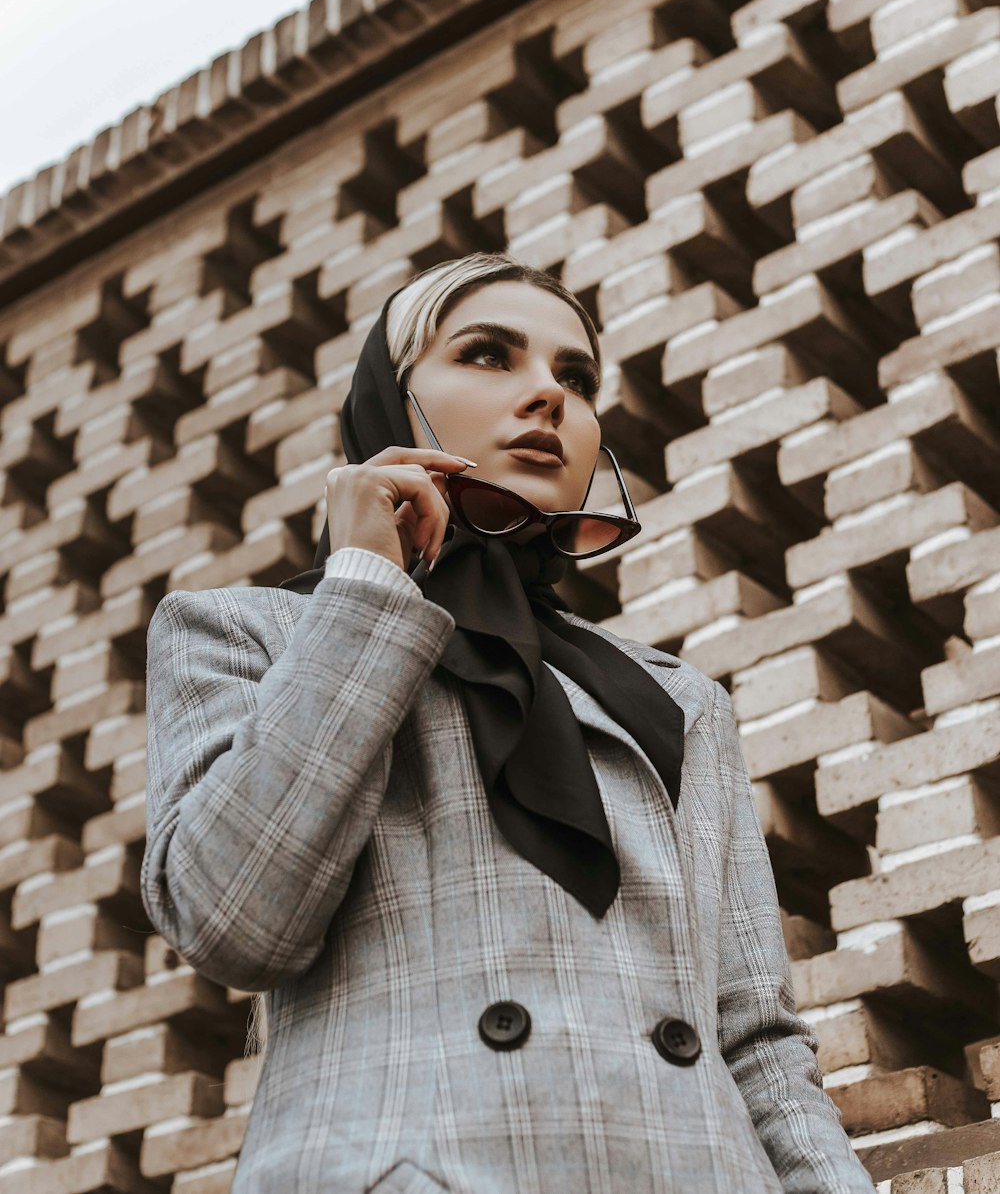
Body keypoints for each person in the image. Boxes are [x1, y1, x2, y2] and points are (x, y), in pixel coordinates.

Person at [141, 252, 876, 1193]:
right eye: (490, 355)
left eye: (575, 377)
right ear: (393, 403)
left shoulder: (674, 698)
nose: (547, 396)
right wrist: (367, 589)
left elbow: (758, 1042)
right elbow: (234, 920)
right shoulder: (248, 633)